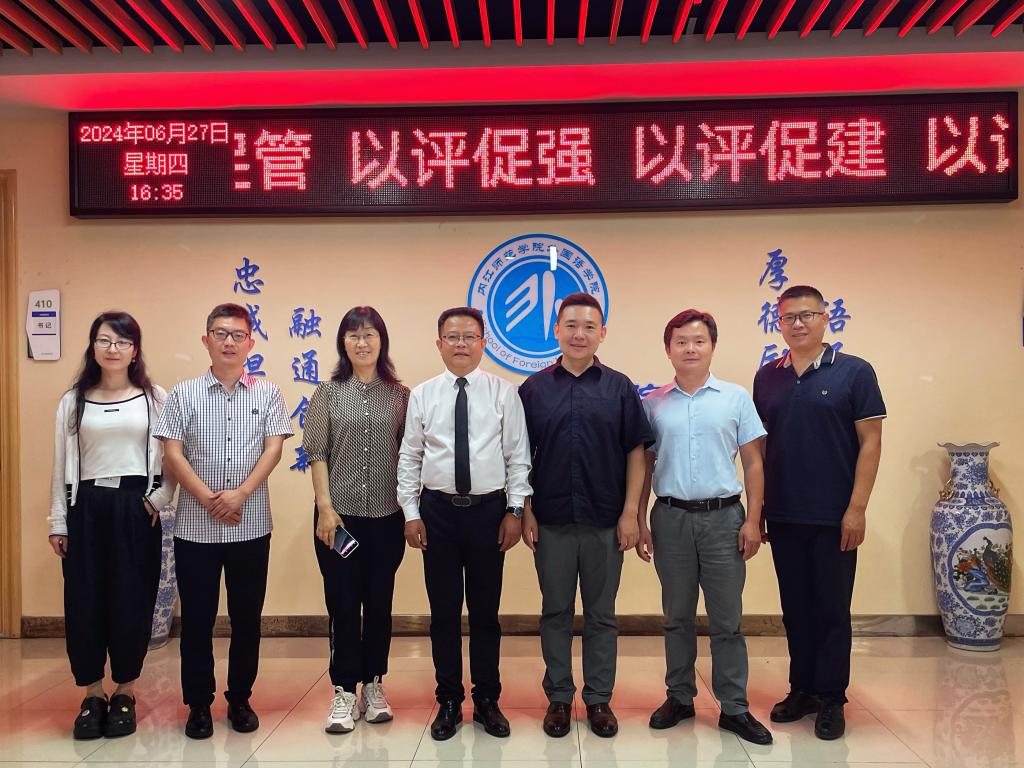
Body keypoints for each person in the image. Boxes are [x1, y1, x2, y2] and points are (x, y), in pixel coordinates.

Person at [518, 292, 653, 739]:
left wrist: (631, 513)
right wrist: (526, 511)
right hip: (551, 521)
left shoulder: (620, 388)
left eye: (589, 326)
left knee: (601, 615)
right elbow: (520, 457)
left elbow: (637, 452)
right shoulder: (534, 390)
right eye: (571, 325)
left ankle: (598, 699)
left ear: (602, 333)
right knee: (554, 611)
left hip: (605, 521)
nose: (579, 334)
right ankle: (559, 696)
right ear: (556, 330)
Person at [154, 303, 292, 739]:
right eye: (220, 333)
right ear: (206, 340)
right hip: (195, 529)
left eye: (237, 335)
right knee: (196, 620)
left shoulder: (268, 393)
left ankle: (240, 699)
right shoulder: (183, 394)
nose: (229, 342)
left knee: (247, 618)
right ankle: (198, 704)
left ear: (251, 342)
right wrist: (207, 498)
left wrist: (241, 494)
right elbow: (172, 452)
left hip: (251, 526)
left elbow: (274, 448)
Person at [753, 285, 885, 740]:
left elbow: (871, 443)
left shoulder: (854, 372)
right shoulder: (767, 377)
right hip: (784, 513)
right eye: (788, 317)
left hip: (834, 515)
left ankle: (831, 697)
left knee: (831, 608)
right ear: (779, 322)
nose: (797, 324)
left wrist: (857, 508)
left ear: (825, 319)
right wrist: (759, 509)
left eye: (806, 315)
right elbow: (760, 449)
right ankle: (802, 689)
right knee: (795, 607)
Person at [638, 309, 772, 745]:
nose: (690, 349)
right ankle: (679, 698)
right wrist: (638, 519)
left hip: (724, 519)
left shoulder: (735, 398)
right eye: (681, 341)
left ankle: (734, 707)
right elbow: (644, 466)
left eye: (699, 341)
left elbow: (753, 463)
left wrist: (753, 519)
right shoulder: (653, 404)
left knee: (727, 620)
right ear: (668, 349)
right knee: (676, 617)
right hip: (670, 518)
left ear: (712, 346)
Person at [397, 307, 531, 741]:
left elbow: (518, 457)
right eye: (452, 337)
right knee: (443, 613)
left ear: (483, 343)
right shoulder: (423, 395)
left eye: (469, 336)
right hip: (437, 513)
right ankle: (450, 700)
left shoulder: (504, 393)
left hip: (489, 513)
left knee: (486, 613)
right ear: (439, 344)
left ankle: (488, 699)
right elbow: (410, 456)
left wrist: (514, 511)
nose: (460, 344)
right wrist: (411, 513)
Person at [49, 311, 177, 740]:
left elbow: (172, 455)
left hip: (135, 507)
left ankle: (125, 691)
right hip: (85, 507)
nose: (113, 349)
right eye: (104, 340)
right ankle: (91, 694)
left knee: (131, 599)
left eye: (122, 342)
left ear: (135, 350)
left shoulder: (154, 397)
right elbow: (60, 465)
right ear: (93, 347)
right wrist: (58, 520)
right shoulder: (74, 401)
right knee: (84, 601)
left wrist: (158, 499)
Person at [303, 306, 410, 734]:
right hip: (338, 520)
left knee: (380, 604)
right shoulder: (327, 393)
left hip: (387, 518)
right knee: (343, 604)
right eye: (353, 335)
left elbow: (410, 456)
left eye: (369, 335)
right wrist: (325, 508)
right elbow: (317, 453)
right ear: (342, 343)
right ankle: (345, 690)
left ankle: (375, 684)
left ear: (382, 341)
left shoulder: (400, 396)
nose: (362, 342)